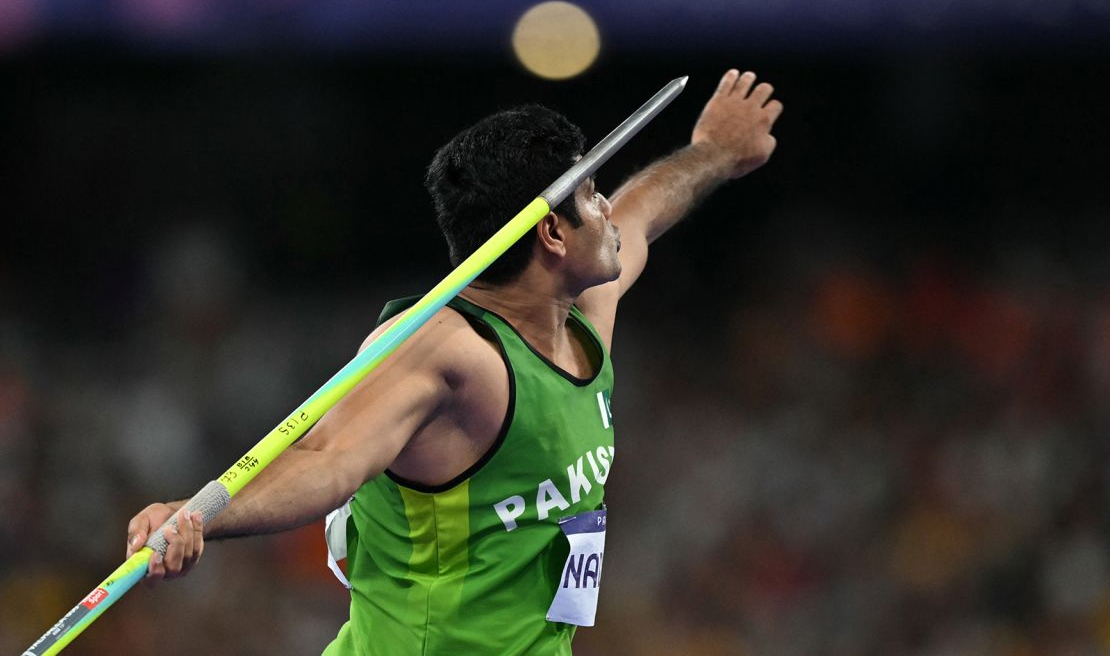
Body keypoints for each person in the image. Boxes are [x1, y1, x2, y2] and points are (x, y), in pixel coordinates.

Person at [125, 69, 783, 654]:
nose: (607, 205)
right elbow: (328, 460)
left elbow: (640, 214)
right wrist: (200, 512)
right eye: (589, 195)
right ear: (551, 233)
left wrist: (713, 154)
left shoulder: (579, 327)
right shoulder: (448, 351)